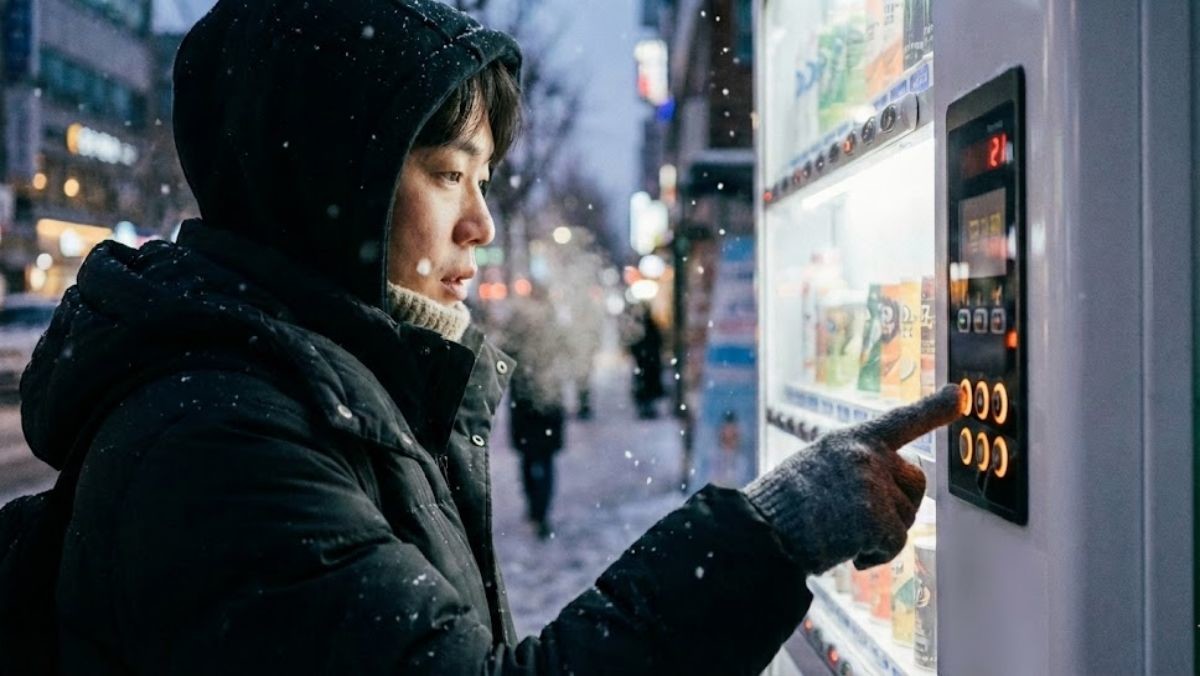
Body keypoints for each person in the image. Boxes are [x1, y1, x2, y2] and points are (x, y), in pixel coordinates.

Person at [15, 1, 964, 672]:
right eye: (446, 172)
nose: (481, 224)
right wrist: (765, 539)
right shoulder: (224, 447)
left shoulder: (313, 395)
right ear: (335, 187)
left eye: (486, 179)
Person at [498, 293, 569, 539]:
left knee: (530, 459)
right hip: (544, 403)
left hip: (528, 403)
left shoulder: (519, 329)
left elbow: (504, 357)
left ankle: (536, 509)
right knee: (543, 460)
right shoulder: (552, 327)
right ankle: (540, 510)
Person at [628, 302, 665, 418]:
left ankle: (646, 407)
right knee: (647, 386)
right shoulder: (649, 325)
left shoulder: (641, 326)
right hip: (649, 362)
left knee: (644, 386)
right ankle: (647, 407)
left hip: (645, 363)